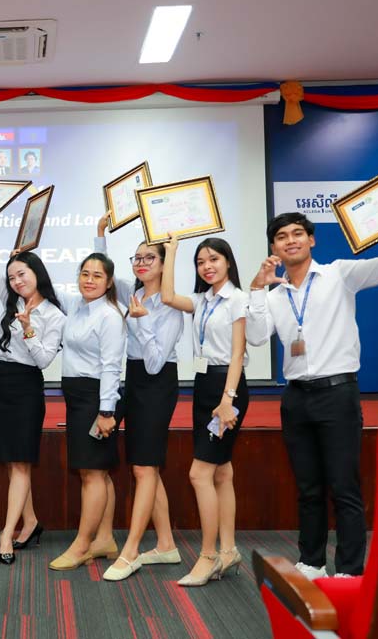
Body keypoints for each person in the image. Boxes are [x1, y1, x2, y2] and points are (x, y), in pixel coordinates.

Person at [247, 177, 378, 580]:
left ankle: (350, 570)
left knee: (344, 487)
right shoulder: (273, 296)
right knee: (308, 488)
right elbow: (254, 336)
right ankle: (311, 562)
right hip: (295, 398)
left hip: (337, 394)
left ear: (311, 240)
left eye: (297, 234)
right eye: (281, 237)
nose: (290, 241)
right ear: (274, 249)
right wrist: (255, 289)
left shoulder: (339, 275)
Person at [0, 211, 65, 565]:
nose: (16, 281)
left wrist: (28, 329)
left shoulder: (55, 315)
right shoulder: (9, 298)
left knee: (21, 462)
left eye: (22, 274)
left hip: (26, 385)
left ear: (37, 273)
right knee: (13, 461)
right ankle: (31, 521)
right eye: (12, 277)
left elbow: (43, 361)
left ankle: (7, 532)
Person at [93, 217, 184, 582]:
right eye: (137, 258)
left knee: (144, 468)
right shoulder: (133, 292)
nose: (141, 263)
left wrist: (143, 322)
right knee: (145, 468)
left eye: (150, 258)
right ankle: (166, 544)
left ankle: (130, 551)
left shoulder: (170, 304)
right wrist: (100, 234)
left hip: (157, 382)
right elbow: (104, 274)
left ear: (163, 264)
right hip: (132, 379)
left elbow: (156, 362)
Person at [161, 236, 250, 586]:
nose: (207, 266)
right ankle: (229, 550)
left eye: (214, 259)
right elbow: (168, 296)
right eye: (200, 262)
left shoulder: (237, 299)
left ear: (228, 261)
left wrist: (228, 399)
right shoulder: (202, 300)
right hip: (203, 386)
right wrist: (171, 252)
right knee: (222, 472)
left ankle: (208, 556)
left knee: (200, 474)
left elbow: (237, 354)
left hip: (226, 388)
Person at [49, 253, 125, 571]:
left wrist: (106, 411)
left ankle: (81, 546)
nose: (89, 280)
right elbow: (44, 284)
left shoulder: (109, 316)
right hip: (78, 397)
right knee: (97, 472)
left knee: (92, 474)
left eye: (97, 275)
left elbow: (111, 366)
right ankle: (104, 539)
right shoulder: (76, 306)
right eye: (84, 274)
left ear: (109, 282)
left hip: (97, 400)